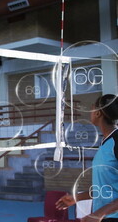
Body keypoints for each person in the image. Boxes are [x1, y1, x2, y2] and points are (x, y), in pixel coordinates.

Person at [56, 94, 118, 222]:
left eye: (92, 108)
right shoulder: (105, 143)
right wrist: (76, 198)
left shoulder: (116, 141)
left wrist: (99, 213)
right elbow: (105, 188)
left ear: (98, 113)